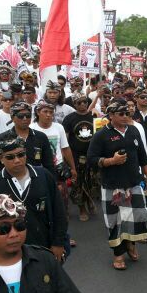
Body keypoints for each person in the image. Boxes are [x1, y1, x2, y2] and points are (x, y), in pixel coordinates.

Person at [87, 100, 147, 270]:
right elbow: (92, 160)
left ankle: (131, 244)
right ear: (111, 116)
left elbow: (142, 156)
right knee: (115, 221)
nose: (125, 117)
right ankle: (118, 254)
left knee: (136, 217)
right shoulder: (101, 135)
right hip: (113, 185)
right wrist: (111, 161)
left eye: (127, 114)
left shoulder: (133, 130)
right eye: (121, 114)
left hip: (133, 183)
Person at [0, 136, 67, 261]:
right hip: (8, 252)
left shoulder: (44, 177)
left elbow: (59, 212)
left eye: (21, 155)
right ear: (0, 159)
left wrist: (58, 243)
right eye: (10, 157)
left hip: (44, 247)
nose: (17, 160)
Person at [0, 101, 56, 179]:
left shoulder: (40, 137)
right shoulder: (1, 138)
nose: (25, 118)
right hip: (9, 182)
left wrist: (53, 184)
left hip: (35, 181)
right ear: (12, 118)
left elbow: (49, 165)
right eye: (20, 116)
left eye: (28, 115)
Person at [63, 93, 98, 222]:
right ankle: (82, 209)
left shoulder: (94, 116)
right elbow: (64, 140)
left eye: (85, 101)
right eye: (79, 102)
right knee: (78, 183)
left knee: (92, 181)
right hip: (76, 156)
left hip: (92, 155)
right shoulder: (69, 119)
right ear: (74, 104)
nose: (83, 104)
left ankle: (89, 201)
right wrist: (65, 158)